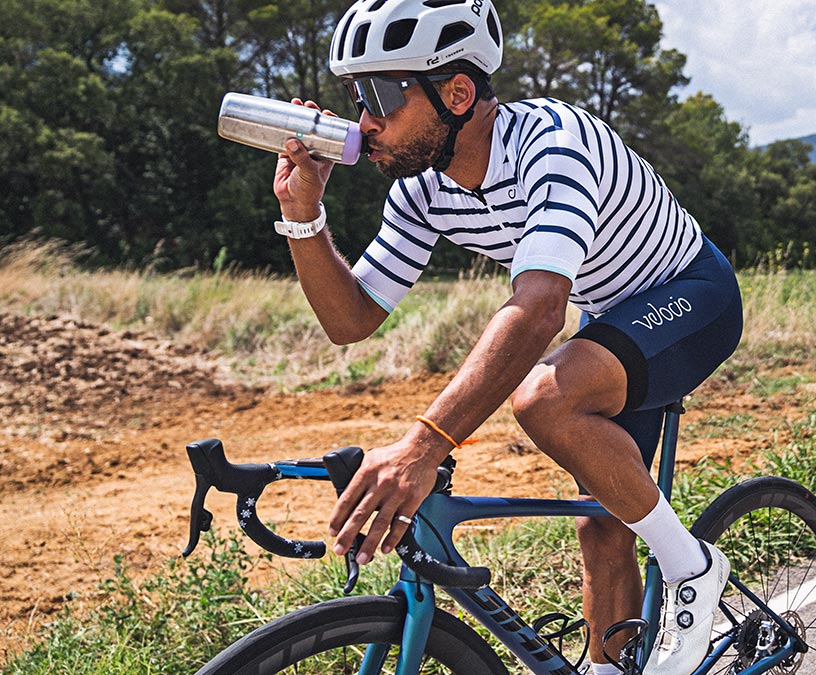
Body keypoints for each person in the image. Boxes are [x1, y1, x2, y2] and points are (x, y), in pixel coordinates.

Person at [271, 1, 742, 673]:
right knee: (601, 521)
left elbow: (541, 307)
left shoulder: (553, 144)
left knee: (546, 399)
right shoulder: (421, 189)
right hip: (612, 314)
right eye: (356, 98)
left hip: (692, 295)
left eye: (379, 96)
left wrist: (424, 444)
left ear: (458, 93)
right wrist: (304, 216)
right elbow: (353, 318)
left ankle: (692, 565)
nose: (363, 122)